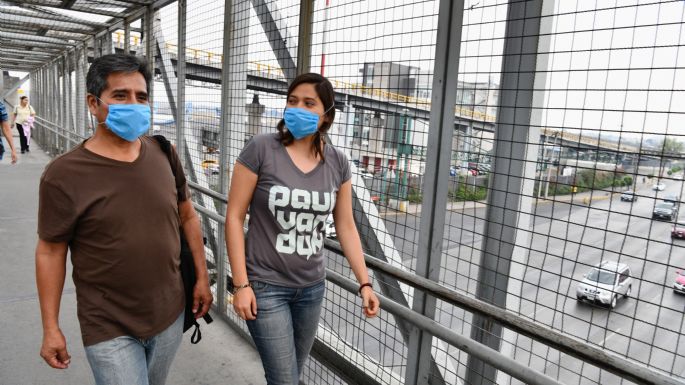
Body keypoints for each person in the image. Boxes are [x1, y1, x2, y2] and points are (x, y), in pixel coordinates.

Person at [35, 53, 213, 385]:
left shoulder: (163, 152)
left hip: (169, 313)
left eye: (141, 97)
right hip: (108, 325)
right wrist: (51, 327)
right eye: (121, 96)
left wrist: (201, 278)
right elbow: (50, 251)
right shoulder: (63, 175)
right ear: (93, 103)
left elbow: (188, 216)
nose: (134, 104)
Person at [225, 73, 380, 385]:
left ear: (326, 116)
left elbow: (346, 226)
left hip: (311, 288)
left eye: (309, 103)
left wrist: (365, 283)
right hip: (265, 286)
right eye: (292, 101)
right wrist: (241, 286)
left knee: (292, 374)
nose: (297, 108)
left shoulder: (338, 163)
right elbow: (233, 216)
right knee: (284, 379)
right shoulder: (261, 149)